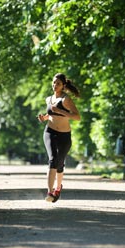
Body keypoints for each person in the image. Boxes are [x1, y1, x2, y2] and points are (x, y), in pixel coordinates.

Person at [37, 73, 80, 202]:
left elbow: (77, 117)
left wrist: (61, 111)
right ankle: (50, 192)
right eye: (54, 82)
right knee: (53, 160)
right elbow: (50, 115)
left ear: (63, 85)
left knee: (60, 164)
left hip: (64, 136)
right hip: (49, 132)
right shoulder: (48, 99)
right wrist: (43, 118)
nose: (55, 85)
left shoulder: (66, 99)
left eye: (58, 83)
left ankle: (58, 187)